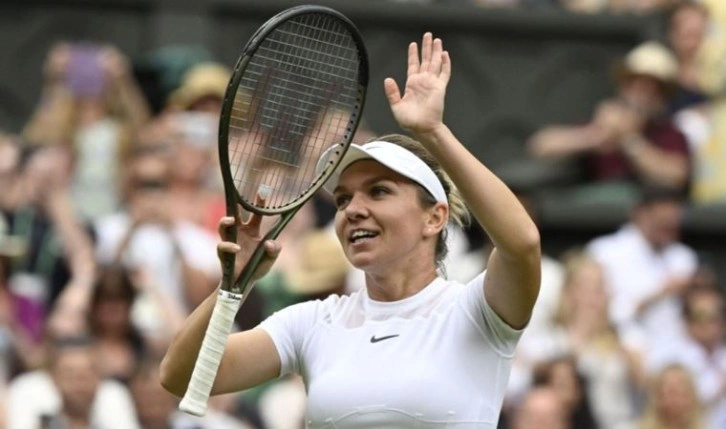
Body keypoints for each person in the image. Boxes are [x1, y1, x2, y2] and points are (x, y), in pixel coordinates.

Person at [161, 33, 541, 427]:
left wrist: (433, 133)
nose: (353, 210)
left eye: (378, 192)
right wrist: (234, 284)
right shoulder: (311, 323)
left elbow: (522, 243)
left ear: (435, 217)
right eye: (342, 199)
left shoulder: (475, 310)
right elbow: (180, 376)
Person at [527, 41, 691, 204]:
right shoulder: (601, 124)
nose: (641, 93)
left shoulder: (670, 133)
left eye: (652, 87)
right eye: (634, 84)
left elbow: (676, 176)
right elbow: (540, 146)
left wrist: (630, 140)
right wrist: (595, 136)